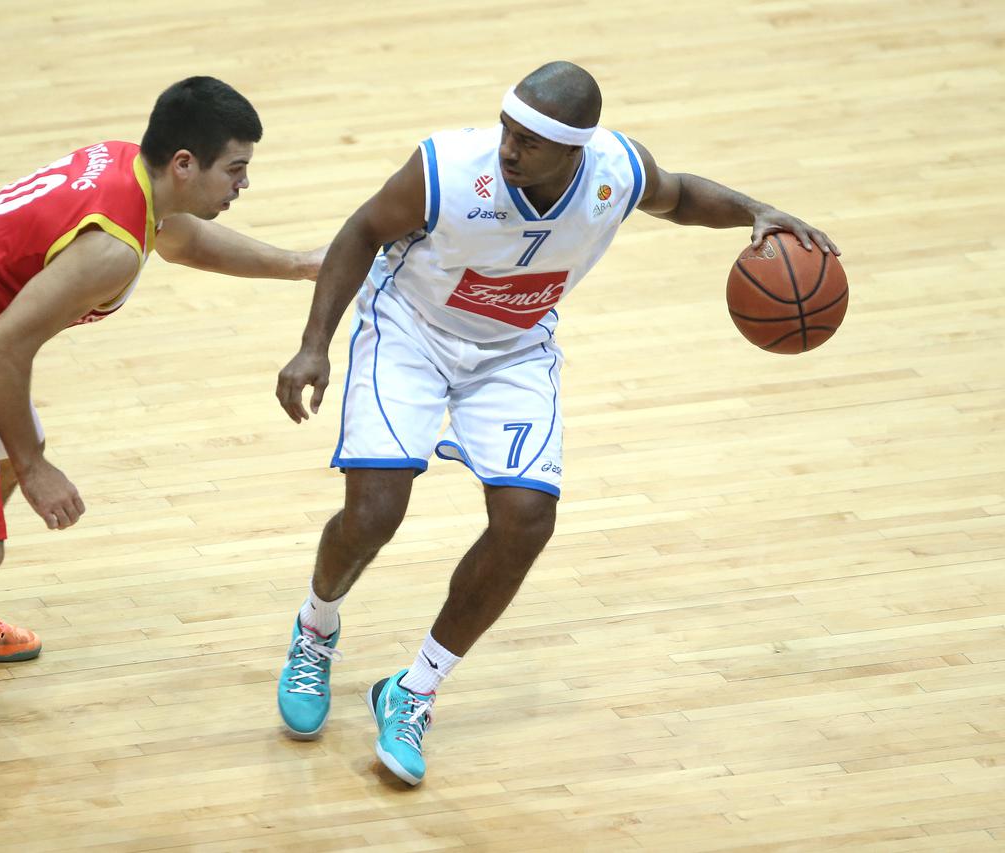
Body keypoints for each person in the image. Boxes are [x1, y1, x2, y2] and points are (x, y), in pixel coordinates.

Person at [273, 61, 838, 786]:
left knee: (527, 520)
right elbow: (360, 231)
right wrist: (314, 342)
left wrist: (758, 210)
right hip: (410, 329)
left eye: (531, 142)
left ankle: (413, 690)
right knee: (375, 513)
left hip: (512, 347)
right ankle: (316, 629)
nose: (510, 149)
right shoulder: (447, 168)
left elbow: (680, 195)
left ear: (576, 149)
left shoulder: (615, 172)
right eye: (508, 131)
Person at [0, 76, 322, 848]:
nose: (244, 185)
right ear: (185, 163)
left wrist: (300, 265)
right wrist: (37, 465)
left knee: (1, 470)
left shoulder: (130, 179)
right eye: (236, 170)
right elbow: (0, 350)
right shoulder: (110, 247)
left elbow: (177, 239)